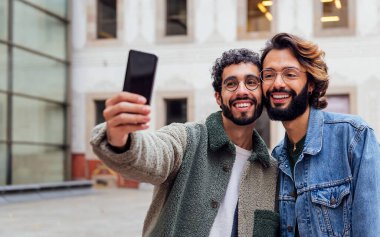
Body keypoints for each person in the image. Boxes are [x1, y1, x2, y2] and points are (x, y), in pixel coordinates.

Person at [90, 48, 279, 237]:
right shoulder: (186, 139)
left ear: (262, 93)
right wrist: (119, 137)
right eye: (231, 84)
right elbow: (154, 154)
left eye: (251, 82)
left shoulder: (270, 170)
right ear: (218, 98)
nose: (242, 91)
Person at [260, 32, 380, 237]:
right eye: (269, 75)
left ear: (311, 84)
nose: (277, 83)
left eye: (290, 74)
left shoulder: (354, 137)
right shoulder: (276, 159)